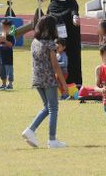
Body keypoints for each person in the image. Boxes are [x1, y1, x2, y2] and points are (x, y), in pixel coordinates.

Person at [22, 15, 68, 149]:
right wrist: (63, 84)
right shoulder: (50, 44)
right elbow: (55, 65)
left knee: (47, 107)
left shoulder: (34, 42)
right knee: (53, 108)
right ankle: (52, 140)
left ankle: (30, 130)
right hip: (48, 79)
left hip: (37, 78)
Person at [48, 0, 82, 85]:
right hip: (57, 40)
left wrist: (75, 17)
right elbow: (48, 18)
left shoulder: (71, 2)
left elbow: (74, 11)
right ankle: (58, 86)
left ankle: (74, 84)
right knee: (57, 61)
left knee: (72, 61)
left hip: (71, 39)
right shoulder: (52, 6)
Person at [0, 20, 15, 90]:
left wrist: (5, 41)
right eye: (2, 28)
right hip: (1, 58)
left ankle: (10, 84)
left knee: (9, 72)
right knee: (2, 72)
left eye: (5, 28)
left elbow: (11, 45)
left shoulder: (11, 37)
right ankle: (3, 84)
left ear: (9, 28)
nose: (3, 29)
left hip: (8, 59)